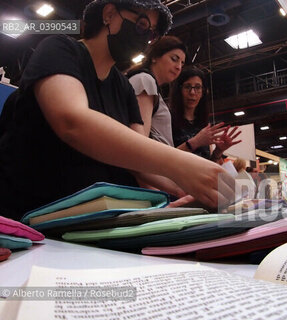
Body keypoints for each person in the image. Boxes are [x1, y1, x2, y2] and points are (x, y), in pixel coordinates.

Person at [0, 0, 235, 221]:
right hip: (28, 221)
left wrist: (188, 189)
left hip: (86, 224)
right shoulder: (60, 49)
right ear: (109, 14)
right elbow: (71, 120)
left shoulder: (123, 87)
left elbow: (137, 159)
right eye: (142, 25)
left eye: (151, 33)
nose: (145, 38)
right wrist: (181, 165)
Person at [170, 66, 241, 162]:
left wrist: (218, 151)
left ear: (203, 91)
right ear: (179, 90)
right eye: (187, 87)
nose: (192, 92)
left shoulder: (203, 124)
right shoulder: (168, 119)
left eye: (198, 87)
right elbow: (162, 161)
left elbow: (209, 165)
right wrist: (194, 142)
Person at [127, 35, 186, 146]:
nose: (179, 67)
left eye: (182, 63)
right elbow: (140, 140)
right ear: (154, 57)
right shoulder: (145, 80)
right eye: (174, 59)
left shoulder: (148, 83)